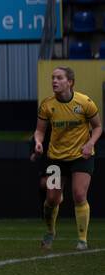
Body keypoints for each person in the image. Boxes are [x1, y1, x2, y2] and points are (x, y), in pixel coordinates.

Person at [34, 66, 100, 250]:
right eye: (53, 78)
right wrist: (38, 142)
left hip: (81, 155)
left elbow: (98, 127)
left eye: (59, 78)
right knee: (52, 199)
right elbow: (40, 130)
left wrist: (90, 143)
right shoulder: (47, 105)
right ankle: (50, 231)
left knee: (79, 194)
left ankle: (82, 239)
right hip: (56, 158)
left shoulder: (85, 102)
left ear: (70, 82)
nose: (54, 81)